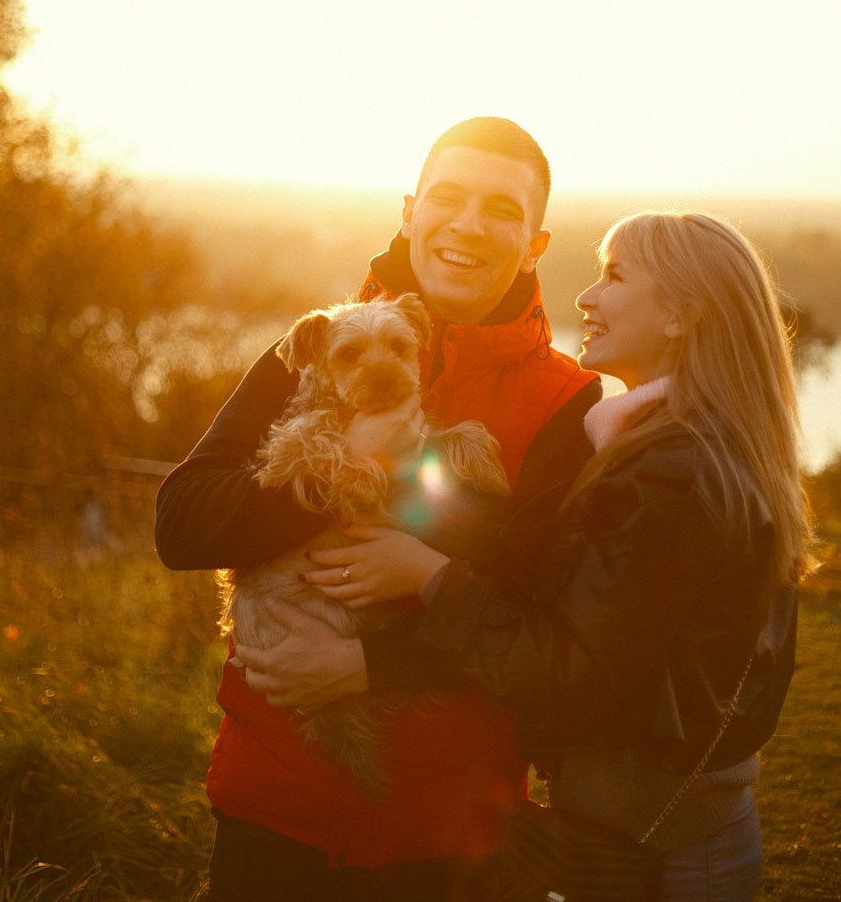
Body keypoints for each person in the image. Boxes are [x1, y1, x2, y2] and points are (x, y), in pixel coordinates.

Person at [258, 211, 812, 901]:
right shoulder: (670, 446)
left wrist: (426, 578)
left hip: (665, 842)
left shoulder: (676, 468)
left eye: (612, 275)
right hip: (649, 820)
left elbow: (575, 667)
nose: (583, 296)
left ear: (679, 316)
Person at [155, 116, 601, 901]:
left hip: (449, 834)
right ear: (408, 210)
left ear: (535, 242)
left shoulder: (567, 401)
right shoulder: (310, 346)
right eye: (448, 197)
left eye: (502, 209)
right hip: (274, 815)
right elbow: (182, 521)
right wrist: (352, 466)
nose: (466, 224)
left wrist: (368, 664)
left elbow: (550, 608)